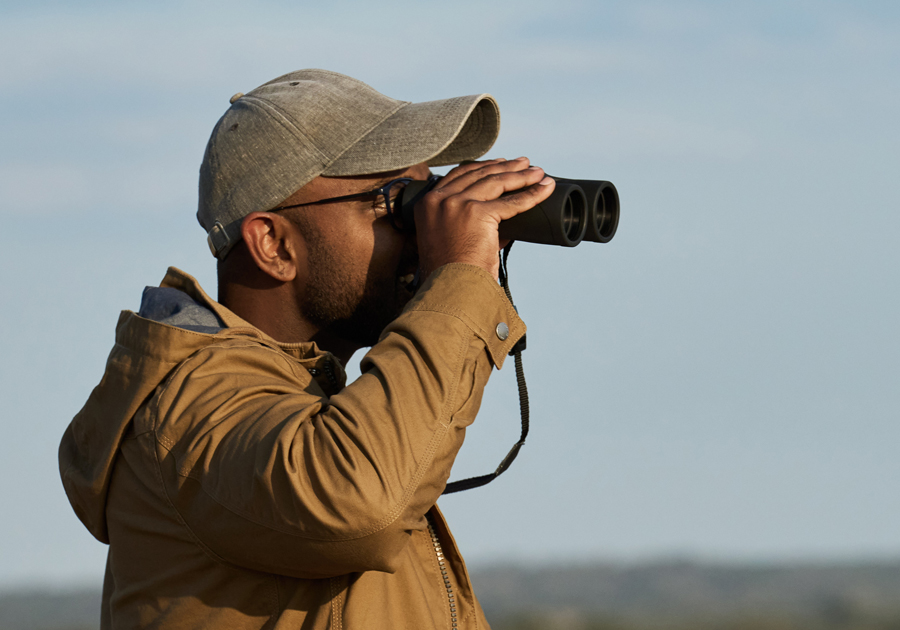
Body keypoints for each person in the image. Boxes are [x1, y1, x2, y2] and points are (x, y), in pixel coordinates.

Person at [59, 68, 555, 629]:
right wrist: (461, 278)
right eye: (399, 203)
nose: (424, 232)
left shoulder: (324, 412)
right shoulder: (189, 410)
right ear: (272, 244)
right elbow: (356, 499)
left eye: (431, 190)